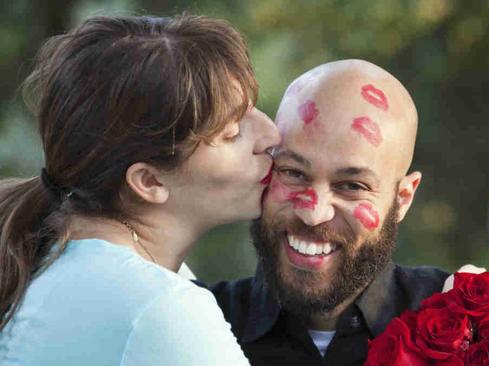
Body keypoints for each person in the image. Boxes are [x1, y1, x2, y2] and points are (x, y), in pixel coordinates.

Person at [204, 59, 489, 365]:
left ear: (403, 198)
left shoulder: (473, 330)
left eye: (351, 186)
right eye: (293, 173)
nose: (313, 213)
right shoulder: (197, 322)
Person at [0, 14, 279, 365]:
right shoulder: (159, 309)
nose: (271, 136)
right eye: (232, 133)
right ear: (149, 182)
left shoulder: (48, 252)